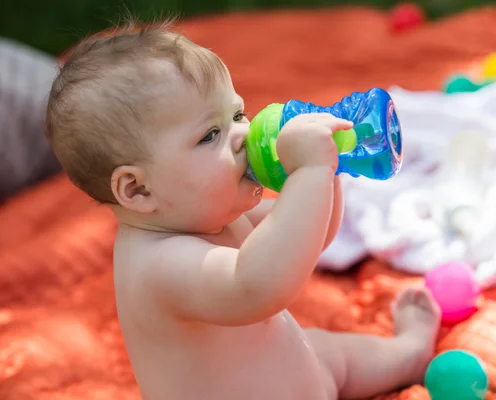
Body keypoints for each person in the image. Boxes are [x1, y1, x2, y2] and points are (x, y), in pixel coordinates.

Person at [45, 22, 441, 400]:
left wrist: (327, 171)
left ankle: (409, 352)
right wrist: (310, 172)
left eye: (237, 115)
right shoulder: (159, 265)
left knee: (330, 351)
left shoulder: (207, 212)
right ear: (138, 189)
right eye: (210, 135)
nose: (243, 135)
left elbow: (309, 238)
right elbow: (258, 285)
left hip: (300, 373)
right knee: (322, 351)